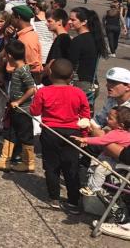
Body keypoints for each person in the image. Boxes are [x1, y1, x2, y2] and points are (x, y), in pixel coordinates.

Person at [29, 59, 89, 213]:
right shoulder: (79, 92)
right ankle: (73, 202)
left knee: (51, 165)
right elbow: (85, 116)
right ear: (71, 77)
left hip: (50, 132)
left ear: (50, 73)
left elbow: (34, 112)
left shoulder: (43, 91)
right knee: (71, 166)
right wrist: (84, 136)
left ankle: (54, 198)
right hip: (73, 132)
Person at [0, 40, 36, 172]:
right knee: (10, 133)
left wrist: (19, 101)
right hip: (15, 109)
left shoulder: (23, 70)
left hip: (23, 110)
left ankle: (28, 162)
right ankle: (5, 161)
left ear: (9, 55)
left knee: (25, 136)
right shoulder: (17, 69)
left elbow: (32, 89)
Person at [73, 106, 130, 196]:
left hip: (113, 160)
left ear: (120, 125)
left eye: (110, 118)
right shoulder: (125, 133)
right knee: (97, 169)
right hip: (117, 160)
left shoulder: (116, 133)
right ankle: (91, 186)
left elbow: (101, 140)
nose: (107, 119)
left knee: (99, 170)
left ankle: (95, 190)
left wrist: (85, 139)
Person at [69, 6, 109, 109]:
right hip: (92, 84)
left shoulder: (78, 41)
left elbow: (70, 65)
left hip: (80, 85)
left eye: (73, 19)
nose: (69, 22)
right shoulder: (95, 38)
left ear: (84, 22)